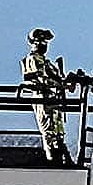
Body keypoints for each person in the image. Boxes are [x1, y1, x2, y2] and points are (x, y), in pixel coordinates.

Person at [20, 28, 74, 167]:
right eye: (41, 42)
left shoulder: (46, 61)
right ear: (34, 43)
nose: (44, 45)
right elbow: (42, 79)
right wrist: (62, 86)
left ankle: (62, 156)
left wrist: (67, 81)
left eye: (45, 42)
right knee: (48, 131)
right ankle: (52, 159)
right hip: (42, 98)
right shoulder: (33, 59)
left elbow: (55, 77)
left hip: (52, 99)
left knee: (58, 130)